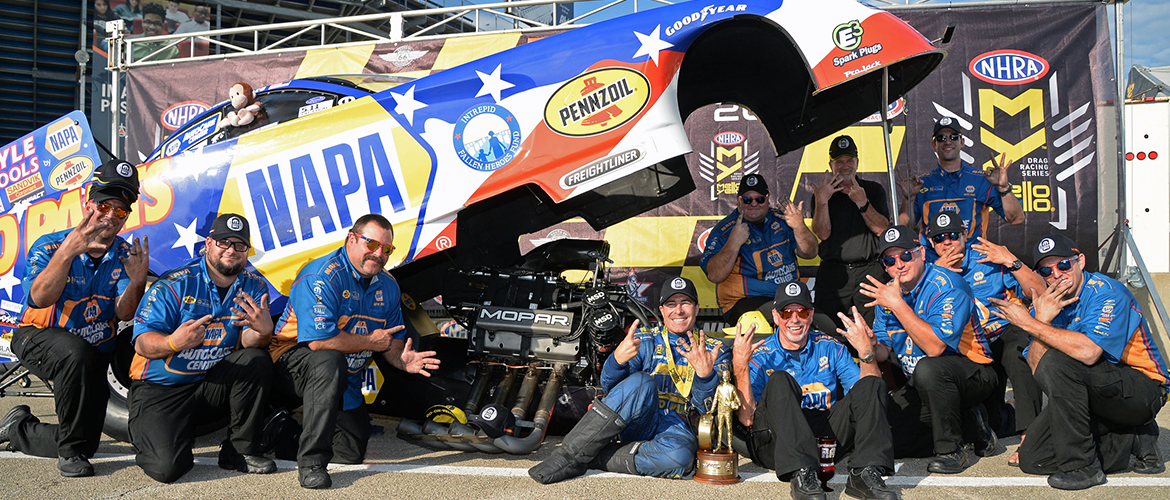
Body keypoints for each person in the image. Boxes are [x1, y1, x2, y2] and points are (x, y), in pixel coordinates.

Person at [268, 214, 440, 489]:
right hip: (288, 365)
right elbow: (319, 342)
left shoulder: (388, 284)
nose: (378, 253)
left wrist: (401, 359)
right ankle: (312, 463)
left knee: (350, 451)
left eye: (386, 249)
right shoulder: (321, 276)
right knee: (328, 361)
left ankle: (280, 430)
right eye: (371, 244)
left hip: (343, 376)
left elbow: (392, 339)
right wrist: (371, 342)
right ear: (351, 239)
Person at [0, 160, 148, 477]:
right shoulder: (52, 245)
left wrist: (136, 282)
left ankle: (19, 429)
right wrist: (67, 253)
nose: (110, 215)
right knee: (74, 353)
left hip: (92, 349)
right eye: (104, 205)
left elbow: (124, 313)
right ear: (88, 203)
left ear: (125, 219)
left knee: (87, 440)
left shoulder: (123, 254)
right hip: (37, 336)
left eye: (120, 211)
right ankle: (70, 455)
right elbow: (40, 298)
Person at [990, 234, 1168, 490]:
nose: (1056, 275)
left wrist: (1029, 324)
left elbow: (1089, 352)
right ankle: (1134, 438)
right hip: (1096, 394)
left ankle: (1082, 467)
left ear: (1080, 261)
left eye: (1063, 265)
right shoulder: (1048, 305)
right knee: (1033, 458)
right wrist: (1042, 321)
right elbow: (1036, 368)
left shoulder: (1107, 292)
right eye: (1046, 271)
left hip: (1141, 390)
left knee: (1058, 361)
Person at [529, 276, 730, 483]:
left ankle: (593, 455)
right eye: (671, 304)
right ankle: (568, 456)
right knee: (641, 382)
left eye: (685, 303)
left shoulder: (715, 350)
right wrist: (616, 361)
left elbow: (709, 410)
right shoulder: (645, 338)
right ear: (661, 310)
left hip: (679, 430)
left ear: (697, 308)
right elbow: (613, 389)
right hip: (639, 423)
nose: (678, 311)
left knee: (678, 460)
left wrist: (705, 377)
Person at [127, 214, 275, 483]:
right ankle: (157, 435)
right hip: (161, 391)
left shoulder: (254, 286)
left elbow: (247, 345)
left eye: (239, 245)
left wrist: (263, 331)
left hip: (208, 386)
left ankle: (239, 451)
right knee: (168, 469)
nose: (231, 250)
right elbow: (141, 343)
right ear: (208, 243)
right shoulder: (175, 283)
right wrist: (174, 342)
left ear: (246, 252)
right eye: (223, 242)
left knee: (257, 360)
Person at [732, 280, 897, 500]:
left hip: (823, 439)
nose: (794, 319)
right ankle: (802, 473)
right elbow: (747, 419)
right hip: (778, 443)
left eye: (802, 311)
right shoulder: (759, 355)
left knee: (874, 383)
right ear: (775, 316)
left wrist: (866, 354)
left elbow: (866, 399)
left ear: (811, 314)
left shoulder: (830, 346)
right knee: (781, 379)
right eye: (786, 312)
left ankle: (864, 473)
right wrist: (740, 368)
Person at [863, 225, 998, 473]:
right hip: (922, 383)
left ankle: (951, 451)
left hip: (973, 372)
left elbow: (935, 347)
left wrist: (899, 306)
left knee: (929, 368)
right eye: (890, 261)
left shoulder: (948, 284)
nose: (899, 265)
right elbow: (883, 351)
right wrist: (867, 343)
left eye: (905, 256)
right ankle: (970, 423)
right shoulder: (888, 296)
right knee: (893, 439)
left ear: (922, 254)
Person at [926, 212, 1044, 445]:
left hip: (1003, 332)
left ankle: (1031, 436)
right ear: (931, 243)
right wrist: (935, 276)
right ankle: (1008, 412)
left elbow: (1038, 292)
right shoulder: (927, 270)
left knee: (1018, 353)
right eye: (939, 238)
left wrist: (1012, 260)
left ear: (965, 234)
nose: (946, 242)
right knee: (994, 426)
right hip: (969, 348)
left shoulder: (989, 260)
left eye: (952, 235)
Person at [899, 117, 1024, 259]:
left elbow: (1017, 219)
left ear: (962, 142)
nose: (947, 141)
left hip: (974, 263)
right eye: (941, 138)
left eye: (953, 137)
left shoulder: (981, 180)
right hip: (933, 262)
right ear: (934, 145)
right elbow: (904, 228)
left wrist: (1003, 187)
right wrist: (908, 198)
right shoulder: (922, 184)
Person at [701, 173, 818, 324]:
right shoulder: (725, 230)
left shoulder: (782, 218)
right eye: (747, 199)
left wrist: (799, 226)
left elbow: (810, 253)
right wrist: (734, 243)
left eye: (760, 199)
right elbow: (714, 275)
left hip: (788, 297)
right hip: (744, 302)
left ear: (768, 197)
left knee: (827, 327)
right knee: (790, 318)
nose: (754, 204)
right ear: (738, 200)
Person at [811, 135, 891, 333]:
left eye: (849, 160)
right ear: (831, 165)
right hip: (834, 274)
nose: (844, 166)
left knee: (874, 332)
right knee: (828, 333)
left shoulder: (873, 190)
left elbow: (882, 230)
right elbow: (823, 234)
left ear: (857, 162)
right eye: (839, 161)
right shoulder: (823, 194)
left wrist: (863, 203)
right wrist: (821, 202)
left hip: (870, 271)